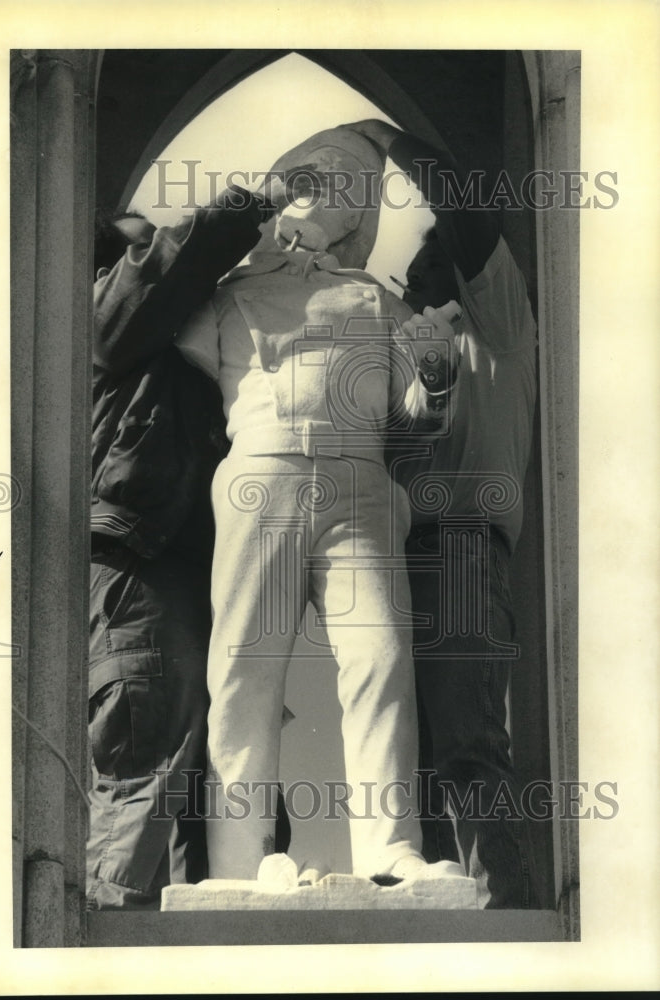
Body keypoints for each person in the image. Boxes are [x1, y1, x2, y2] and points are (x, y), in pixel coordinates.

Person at [176, 123, 461, 885]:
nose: (318, 196)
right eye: (307, 181)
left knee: (380, 661)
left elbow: (415, 420)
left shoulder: (380, 303)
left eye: (339, 187)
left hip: (360, 481)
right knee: (242, 668)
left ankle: (391, 850)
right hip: (259, 476)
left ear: (360, 214)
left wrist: (433, 381)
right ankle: (236, 862)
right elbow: (158, 330)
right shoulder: (222, 296)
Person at [354, 120, 541, 908]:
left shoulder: (494, 319)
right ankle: (438, 922)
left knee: (465, 745)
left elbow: (461, 206)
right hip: (406, 557)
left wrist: (382, 137)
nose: (409, 270)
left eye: (428, 257)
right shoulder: (415, 353)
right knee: (415, 765)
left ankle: (508, 914)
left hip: (462, 552)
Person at [86, 189, 280, 909]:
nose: (156, 256)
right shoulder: (111, 319)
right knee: (151, 747)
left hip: (183, 568)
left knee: (212, 756)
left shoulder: (182, 363)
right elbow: (168, 267)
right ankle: (100, 938)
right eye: (140, 247)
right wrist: (245, 207)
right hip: (137, 565)